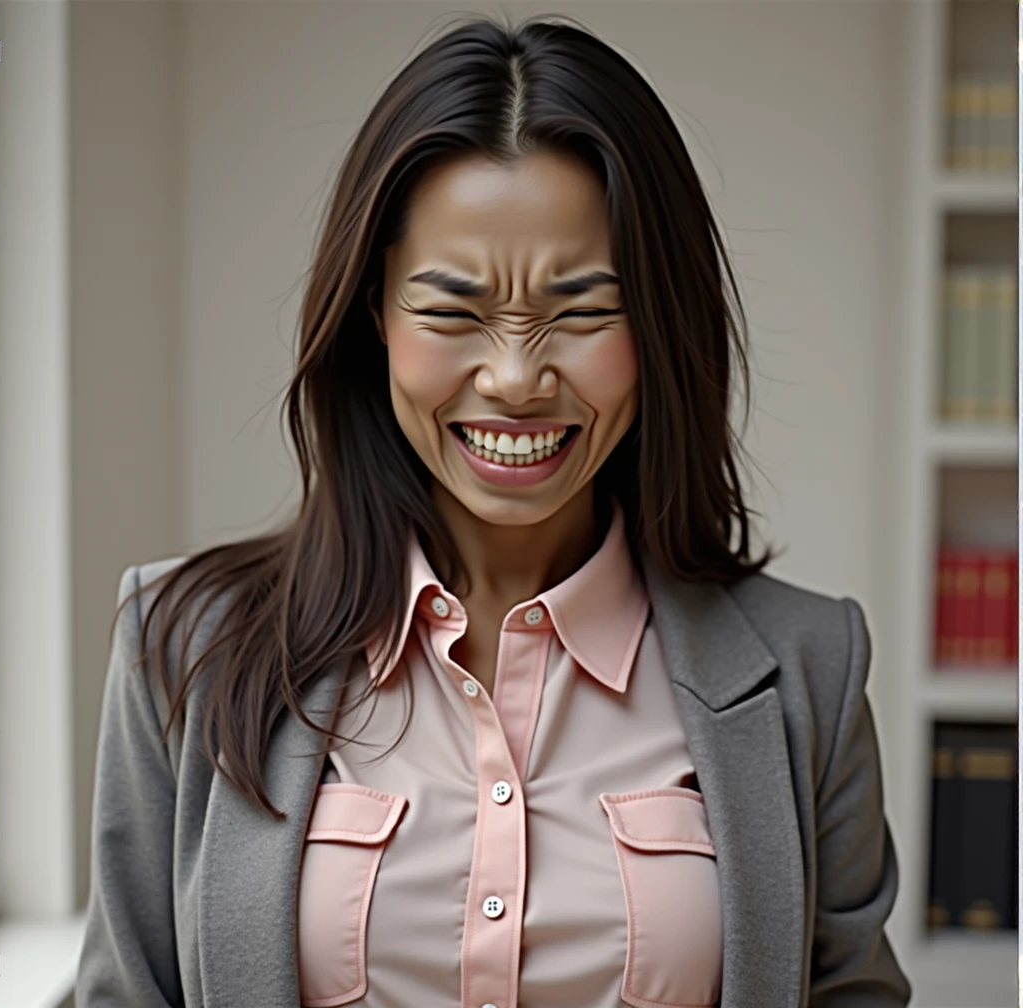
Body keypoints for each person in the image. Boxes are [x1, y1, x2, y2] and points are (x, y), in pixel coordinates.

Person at [76, 14, 911, 1008]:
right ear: (373, 316)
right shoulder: (184, 648)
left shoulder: (807, 675)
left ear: (659, 323)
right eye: (453, 312)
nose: (516, 377)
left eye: (583, 310)